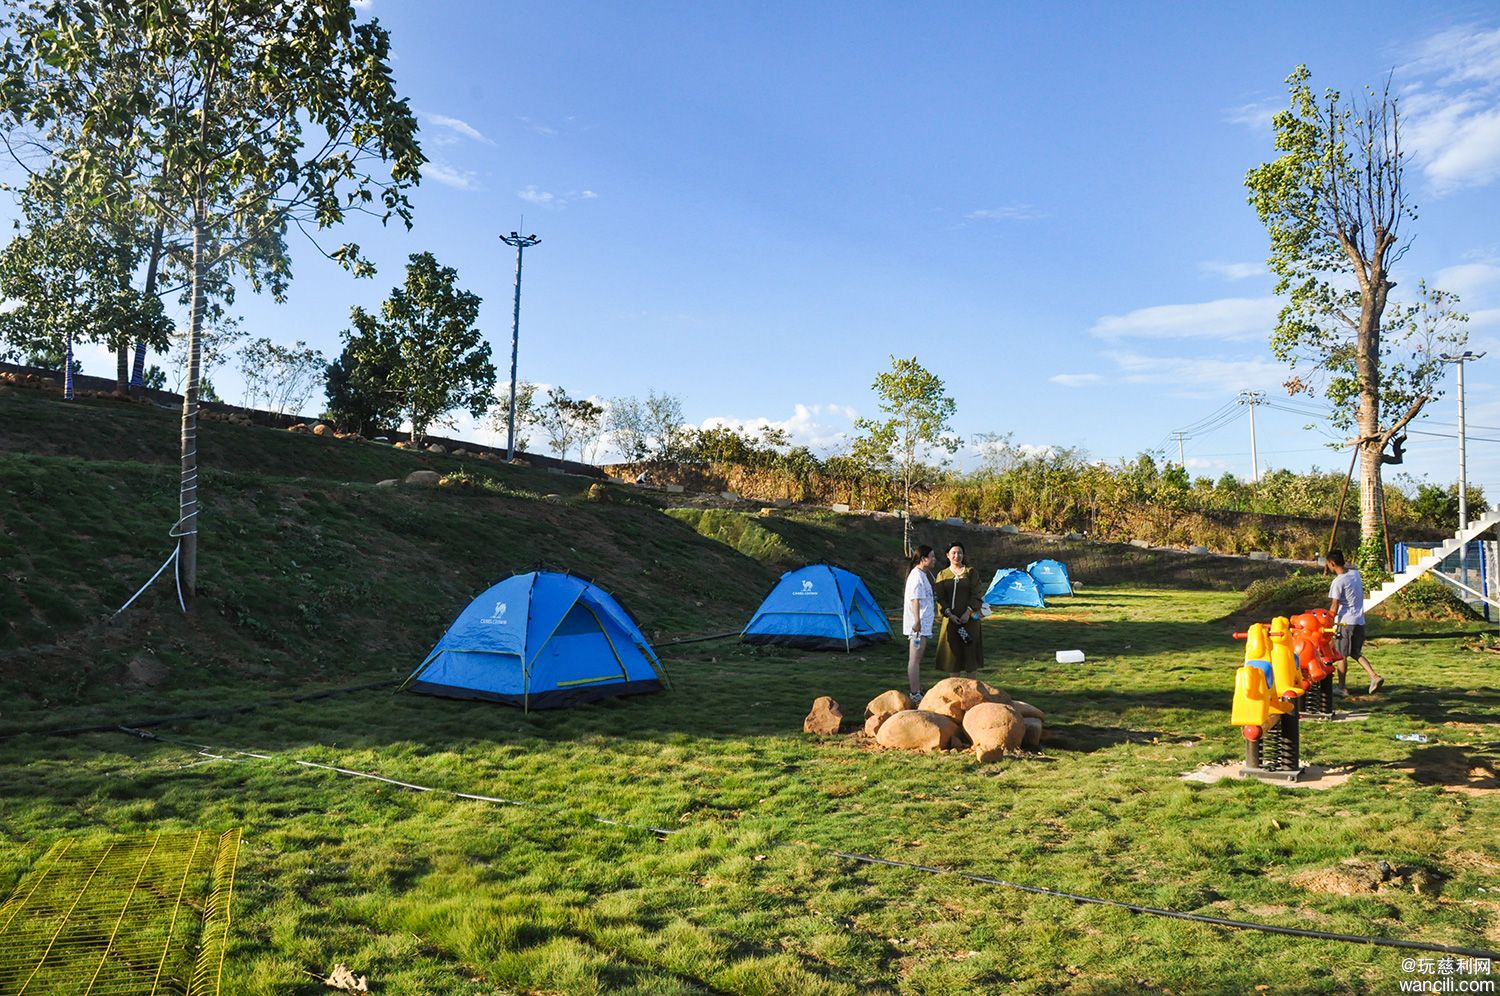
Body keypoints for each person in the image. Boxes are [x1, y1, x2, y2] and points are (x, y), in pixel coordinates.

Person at [1327, 548, 1384, 696]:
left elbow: (1334, 605)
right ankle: (1374, 676)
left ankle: (1341, 687)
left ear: (1332, 563)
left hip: (1345, 623)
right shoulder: (1355, 574)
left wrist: (1328, 622)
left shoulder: (1338, 582)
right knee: (1355, 652)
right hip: (1359, 620)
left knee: (1341, 655)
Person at [933, 541, 984, 679]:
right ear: (947, 555)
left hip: (969, 620)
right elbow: (940, 598)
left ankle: (972, 691)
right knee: (953, 656)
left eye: (960, 552)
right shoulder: (942, 574)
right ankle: (954, 690)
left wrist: (968, 612)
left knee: (970, 655)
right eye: (954, 553)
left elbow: (977, 594)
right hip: (951, 621)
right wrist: (949, 614)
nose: (957, 555)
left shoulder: (971, 572)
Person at [903, 545, 937, 702]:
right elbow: (915, 599)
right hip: (919, 626)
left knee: (918, 658)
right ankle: (914, 692)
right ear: (924, 559)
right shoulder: (916, 575)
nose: (934, 560)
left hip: (924, 625)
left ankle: (916, 689)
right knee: (914, 659)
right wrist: (916, 621)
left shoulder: (923, 574)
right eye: (932, 557)